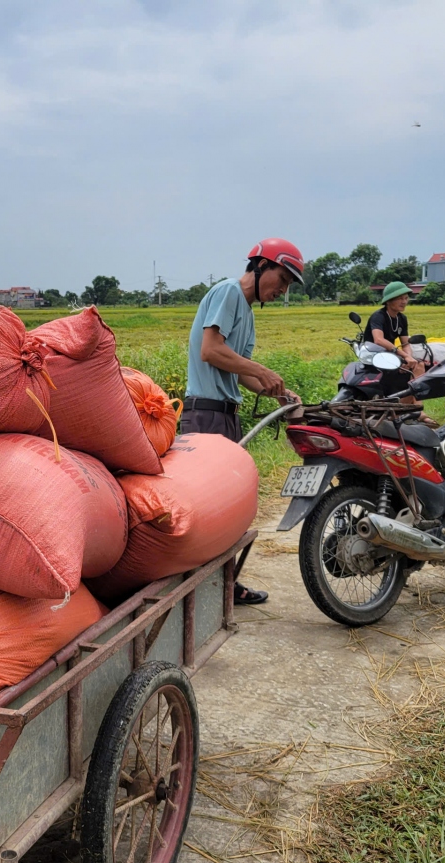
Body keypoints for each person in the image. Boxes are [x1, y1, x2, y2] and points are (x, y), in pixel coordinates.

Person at [181, 238, 304, 605]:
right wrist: (261, 368)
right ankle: (204, 588)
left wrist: (277, 391)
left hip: (225, 415)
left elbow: (238, 373)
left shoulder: (246, 312)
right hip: (206, 415)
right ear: (261, 266)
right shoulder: (229, 293)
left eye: (288, 286)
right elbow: (210, 350)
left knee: (226, 508)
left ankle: (222, 586)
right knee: (208, 509)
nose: (282, 289)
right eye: (282, 279)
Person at [368, 282, 426, 379]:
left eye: (406, 298)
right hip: (374, 356)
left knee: (419, 365)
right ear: (388, 301)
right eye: (400, 298)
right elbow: (378, 340)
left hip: (390, 354)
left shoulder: (402, 318)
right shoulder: (378, 316)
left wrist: (408, 359)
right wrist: (404, 356)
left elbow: (405, 344)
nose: (404, 302)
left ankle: (412, 393)